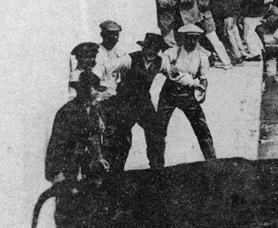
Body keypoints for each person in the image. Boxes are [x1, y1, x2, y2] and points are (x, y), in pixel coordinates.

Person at [45, 60, 110, 228]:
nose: (94, 92)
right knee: (66, 210)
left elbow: (93, 138)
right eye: (91, 89)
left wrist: (99, 158)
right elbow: (57, 144)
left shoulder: (94, 110)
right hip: (68, 168)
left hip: (86, 168)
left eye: (95, 89)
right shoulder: (69, 112)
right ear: (83, 90)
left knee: (86, 209)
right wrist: (59, 173)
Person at [105, 32, 167, 171]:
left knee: (156, 131)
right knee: (121, 137)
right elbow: (108, 68)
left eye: (156, 49)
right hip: (125, 102)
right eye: (149, 48)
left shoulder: (160, 62)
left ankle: (157, 169)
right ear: (143, 48)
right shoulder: (129, 59)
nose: (152, 52)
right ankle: (116, 173)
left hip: (144, 102)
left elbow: (174, 74)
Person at [155, 24, 216, 163]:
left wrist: (203, 91)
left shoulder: (202, 57)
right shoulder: (172, 53)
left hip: (187, 96)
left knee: (202, 129)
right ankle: (157, 167)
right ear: (182, 38)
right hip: (168, 94)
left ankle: (212, 162)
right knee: (159, 130)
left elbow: (203, 78)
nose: (192, 41)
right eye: (189, 38)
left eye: (195, 38)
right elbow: (164, 66)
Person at [177, 0, 233, 68]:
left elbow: (204, 4)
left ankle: (227, 62)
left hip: (205, 18)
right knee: (194, 40)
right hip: (195, 18)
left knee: (214, 40)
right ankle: (206, 55)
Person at [68, 19, 131, 102]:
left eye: (116, 35)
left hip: (114, 95)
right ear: (102, 35)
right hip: (98, 96)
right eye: (110, 35)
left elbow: (125, 74)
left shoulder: (121, 54)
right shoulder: (94, 52)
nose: (114, 38)